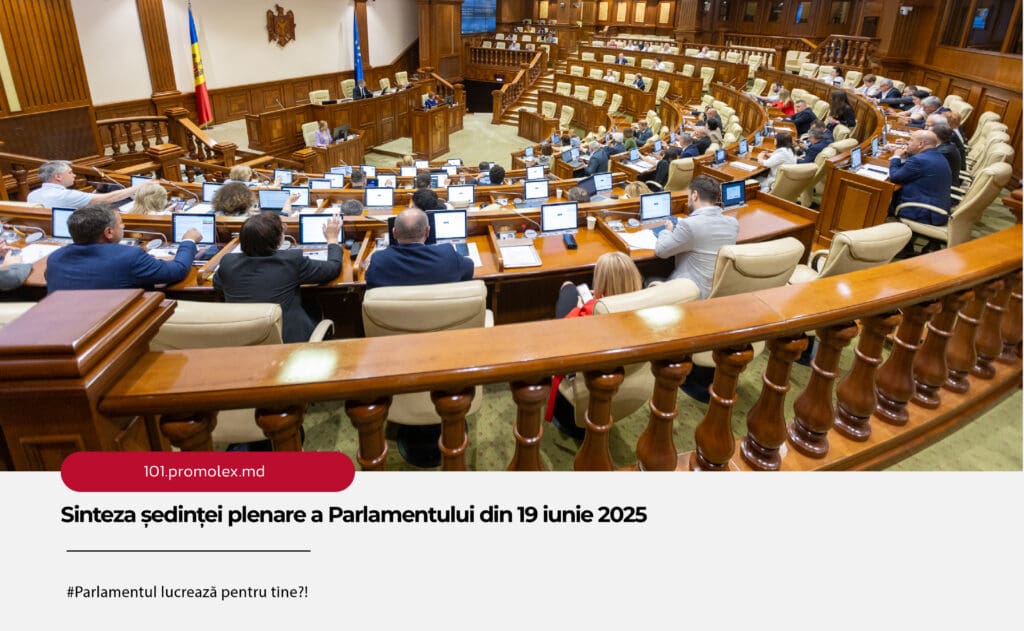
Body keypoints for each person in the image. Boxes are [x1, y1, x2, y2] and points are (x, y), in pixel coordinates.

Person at [546, 252, 644, 436]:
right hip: (628, 393)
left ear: (602, 283)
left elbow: (558, 335)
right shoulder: (644, 308)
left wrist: (579, 307)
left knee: (567, 290)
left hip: (579, 405)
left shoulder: (591, 311)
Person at [214, 211, 342, 344]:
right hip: (288, 344)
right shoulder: (291, 261)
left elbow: (218, 284)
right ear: (278, 239)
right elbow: (333, 268)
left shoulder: (228, 262)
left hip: (242, 342)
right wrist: (332, 240)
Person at [45, 203, 200, 293]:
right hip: (114, 329)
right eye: (120, 223)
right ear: (109, 232)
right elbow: (178, 270)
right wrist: (189, 241)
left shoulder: (55, 258)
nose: (123, 226)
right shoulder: (130, 257)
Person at [654, 175, 739, 299]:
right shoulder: (733, 223)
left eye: (689, 195)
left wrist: (667, 231)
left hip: (690, 293)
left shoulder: (689, 225)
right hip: (716, 291)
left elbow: (661, 251)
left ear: (694, 195)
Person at [364, 207, 474, 289]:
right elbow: (469, 267)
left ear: (394, 233)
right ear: (427, 231)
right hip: (441, 312)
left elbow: (370, 283)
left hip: (397, 314)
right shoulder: (448, 254)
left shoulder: (379, 261)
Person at [888, 130, 952, 227]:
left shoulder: (919, 160)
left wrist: (896, 156)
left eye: (911, 140)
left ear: (921, 144)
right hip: (938, 210)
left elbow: (895, 177)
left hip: (924, 213)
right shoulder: (937, 155)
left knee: (883, 193)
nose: (907, 143)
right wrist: (907, 155)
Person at [27, 160, 139, 209]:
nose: (74, 175)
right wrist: (140, 186)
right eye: (70, 172)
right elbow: (110, 198)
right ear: (58, 177)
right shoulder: (65, 195)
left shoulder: (32, 195)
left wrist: (94, 196)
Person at [929, 122, 962, 187]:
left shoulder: (944, 152)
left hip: (944, 187)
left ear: (935, 136)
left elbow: (928, 167)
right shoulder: (949, 145)